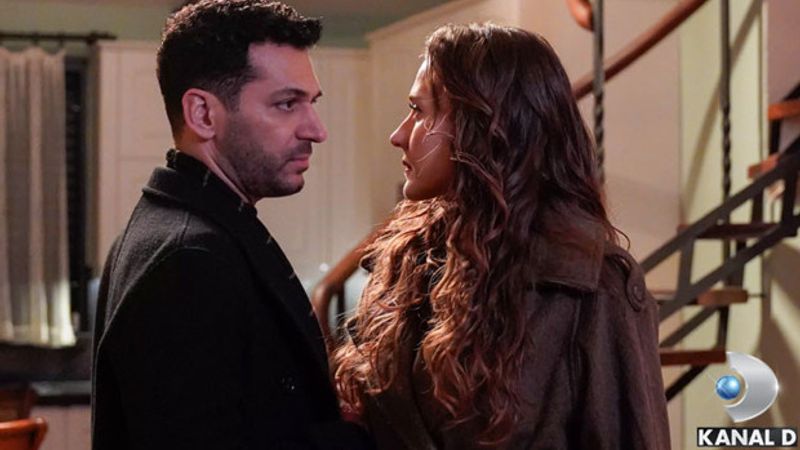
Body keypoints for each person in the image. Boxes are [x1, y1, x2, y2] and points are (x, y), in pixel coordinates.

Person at [334, 23, 670, 449]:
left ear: (484, 125)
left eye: (419, 111)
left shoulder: (591, 287)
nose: (398, 135)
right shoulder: (409, 265)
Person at [91, 1, 373, 449]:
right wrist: (362, 437)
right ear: (203, 114)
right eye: (286, 104)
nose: (316, 130)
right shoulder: (188, 259)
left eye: (311, 103)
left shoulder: (183, 231)